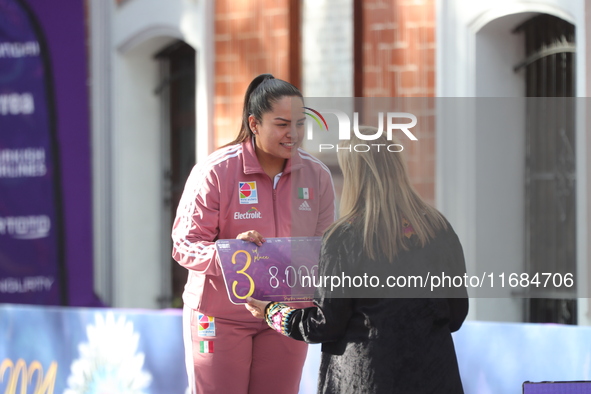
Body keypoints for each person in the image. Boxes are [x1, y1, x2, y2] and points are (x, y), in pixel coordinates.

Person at [246, 126, 468, 394]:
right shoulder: (438, 228)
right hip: (435, 378)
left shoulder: (344, 237)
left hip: (367, 379)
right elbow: (456, 315)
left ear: (354, 174)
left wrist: (272, 312)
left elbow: (324, 324)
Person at [171, 73, 336, 394]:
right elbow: (184, 244)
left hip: (287, 316)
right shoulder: (216, 171)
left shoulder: (317, 175)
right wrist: (229, 254)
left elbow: (325, 249)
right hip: (219, 317)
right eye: (282, 124)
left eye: (300, 124)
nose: (294, 134)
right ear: (254, 123)